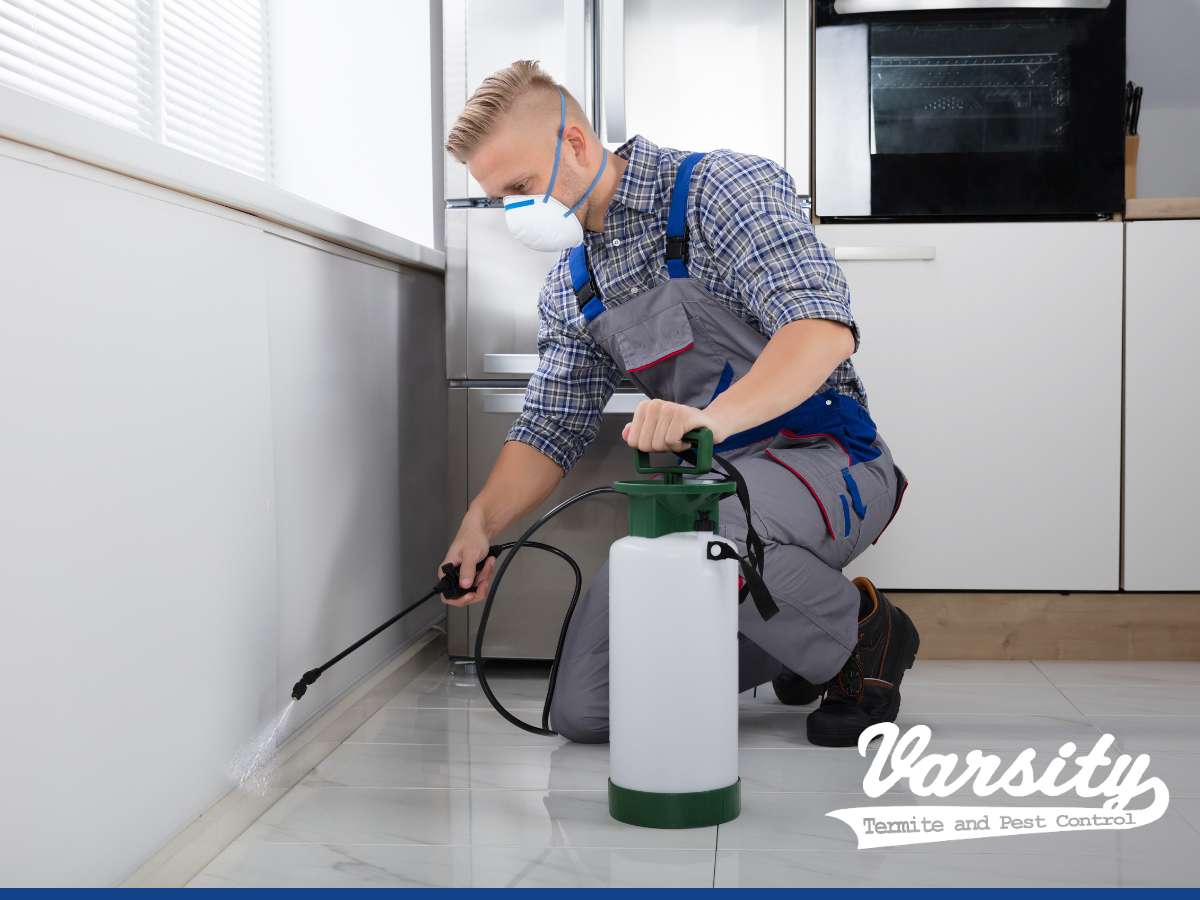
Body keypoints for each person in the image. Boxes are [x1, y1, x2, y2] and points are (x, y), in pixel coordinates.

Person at [439, 60, 919, 748]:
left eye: (519, 187)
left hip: (831, 458)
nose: (515, 211)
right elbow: (552, 426)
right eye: (499, 198)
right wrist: (480, 523)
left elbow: (821, 330)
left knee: (709, 525)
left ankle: (863, 638)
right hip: (713, 490)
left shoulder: (721, 189)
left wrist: (711, 421)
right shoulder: (571, 284)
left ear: (574, 143)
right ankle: (799, 642)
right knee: (587, 709)